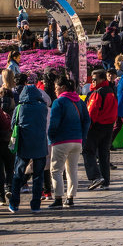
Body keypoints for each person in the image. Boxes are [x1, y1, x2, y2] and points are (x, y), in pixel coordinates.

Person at [47, 75, 90, 209]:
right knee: (72, 170)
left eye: (56, 88)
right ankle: (70, 197)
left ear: (63, 87)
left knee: (56, 170)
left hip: (61, 140)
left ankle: (58, 198)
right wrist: (82, 136)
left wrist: (51, 137)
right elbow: (87, 120)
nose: (55, 91)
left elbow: (54, 123)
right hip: (77, 140)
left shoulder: (59, 102)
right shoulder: (79, 101)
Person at [8, 83, 48, 213]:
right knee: (38, 176)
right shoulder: (43, 107)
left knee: (18, 174)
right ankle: (35, 205)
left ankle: (14, 203)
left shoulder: (20, 108)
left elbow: (13, 124)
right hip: (40, 146)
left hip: (24, 145)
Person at [83, 69, 117, 190]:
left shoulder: (98, 93)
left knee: (88, 151)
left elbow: (91, 112)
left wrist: (87, 126)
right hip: (108, 126)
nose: (92, 82)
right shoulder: (111, 91)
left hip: (96, 127)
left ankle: (95, 177)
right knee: (104, 154)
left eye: (94, 79)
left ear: (102, 79)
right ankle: (105, 181)